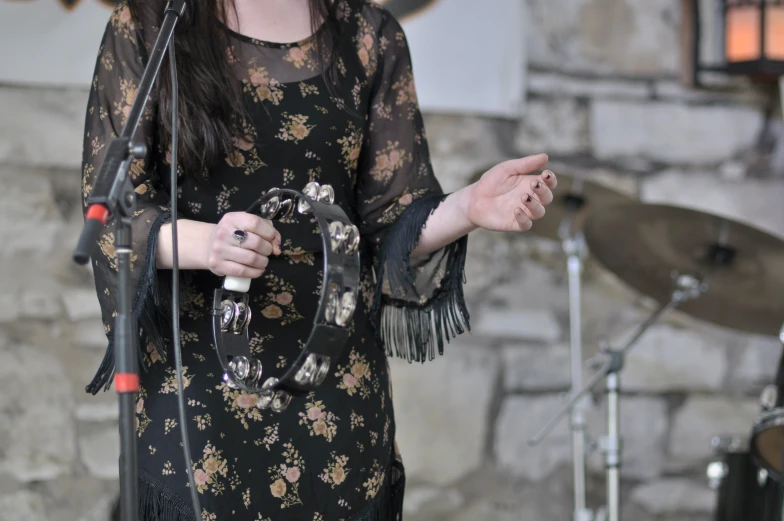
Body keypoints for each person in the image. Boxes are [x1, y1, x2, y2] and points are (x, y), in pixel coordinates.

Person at [81, 1, 557, 520]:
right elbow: (111, 206)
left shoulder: (369, 34)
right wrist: (209, 243)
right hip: (197, 370)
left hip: (333, 368)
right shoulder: (152, 22)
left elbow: (390, 220)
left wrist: (468, 207)